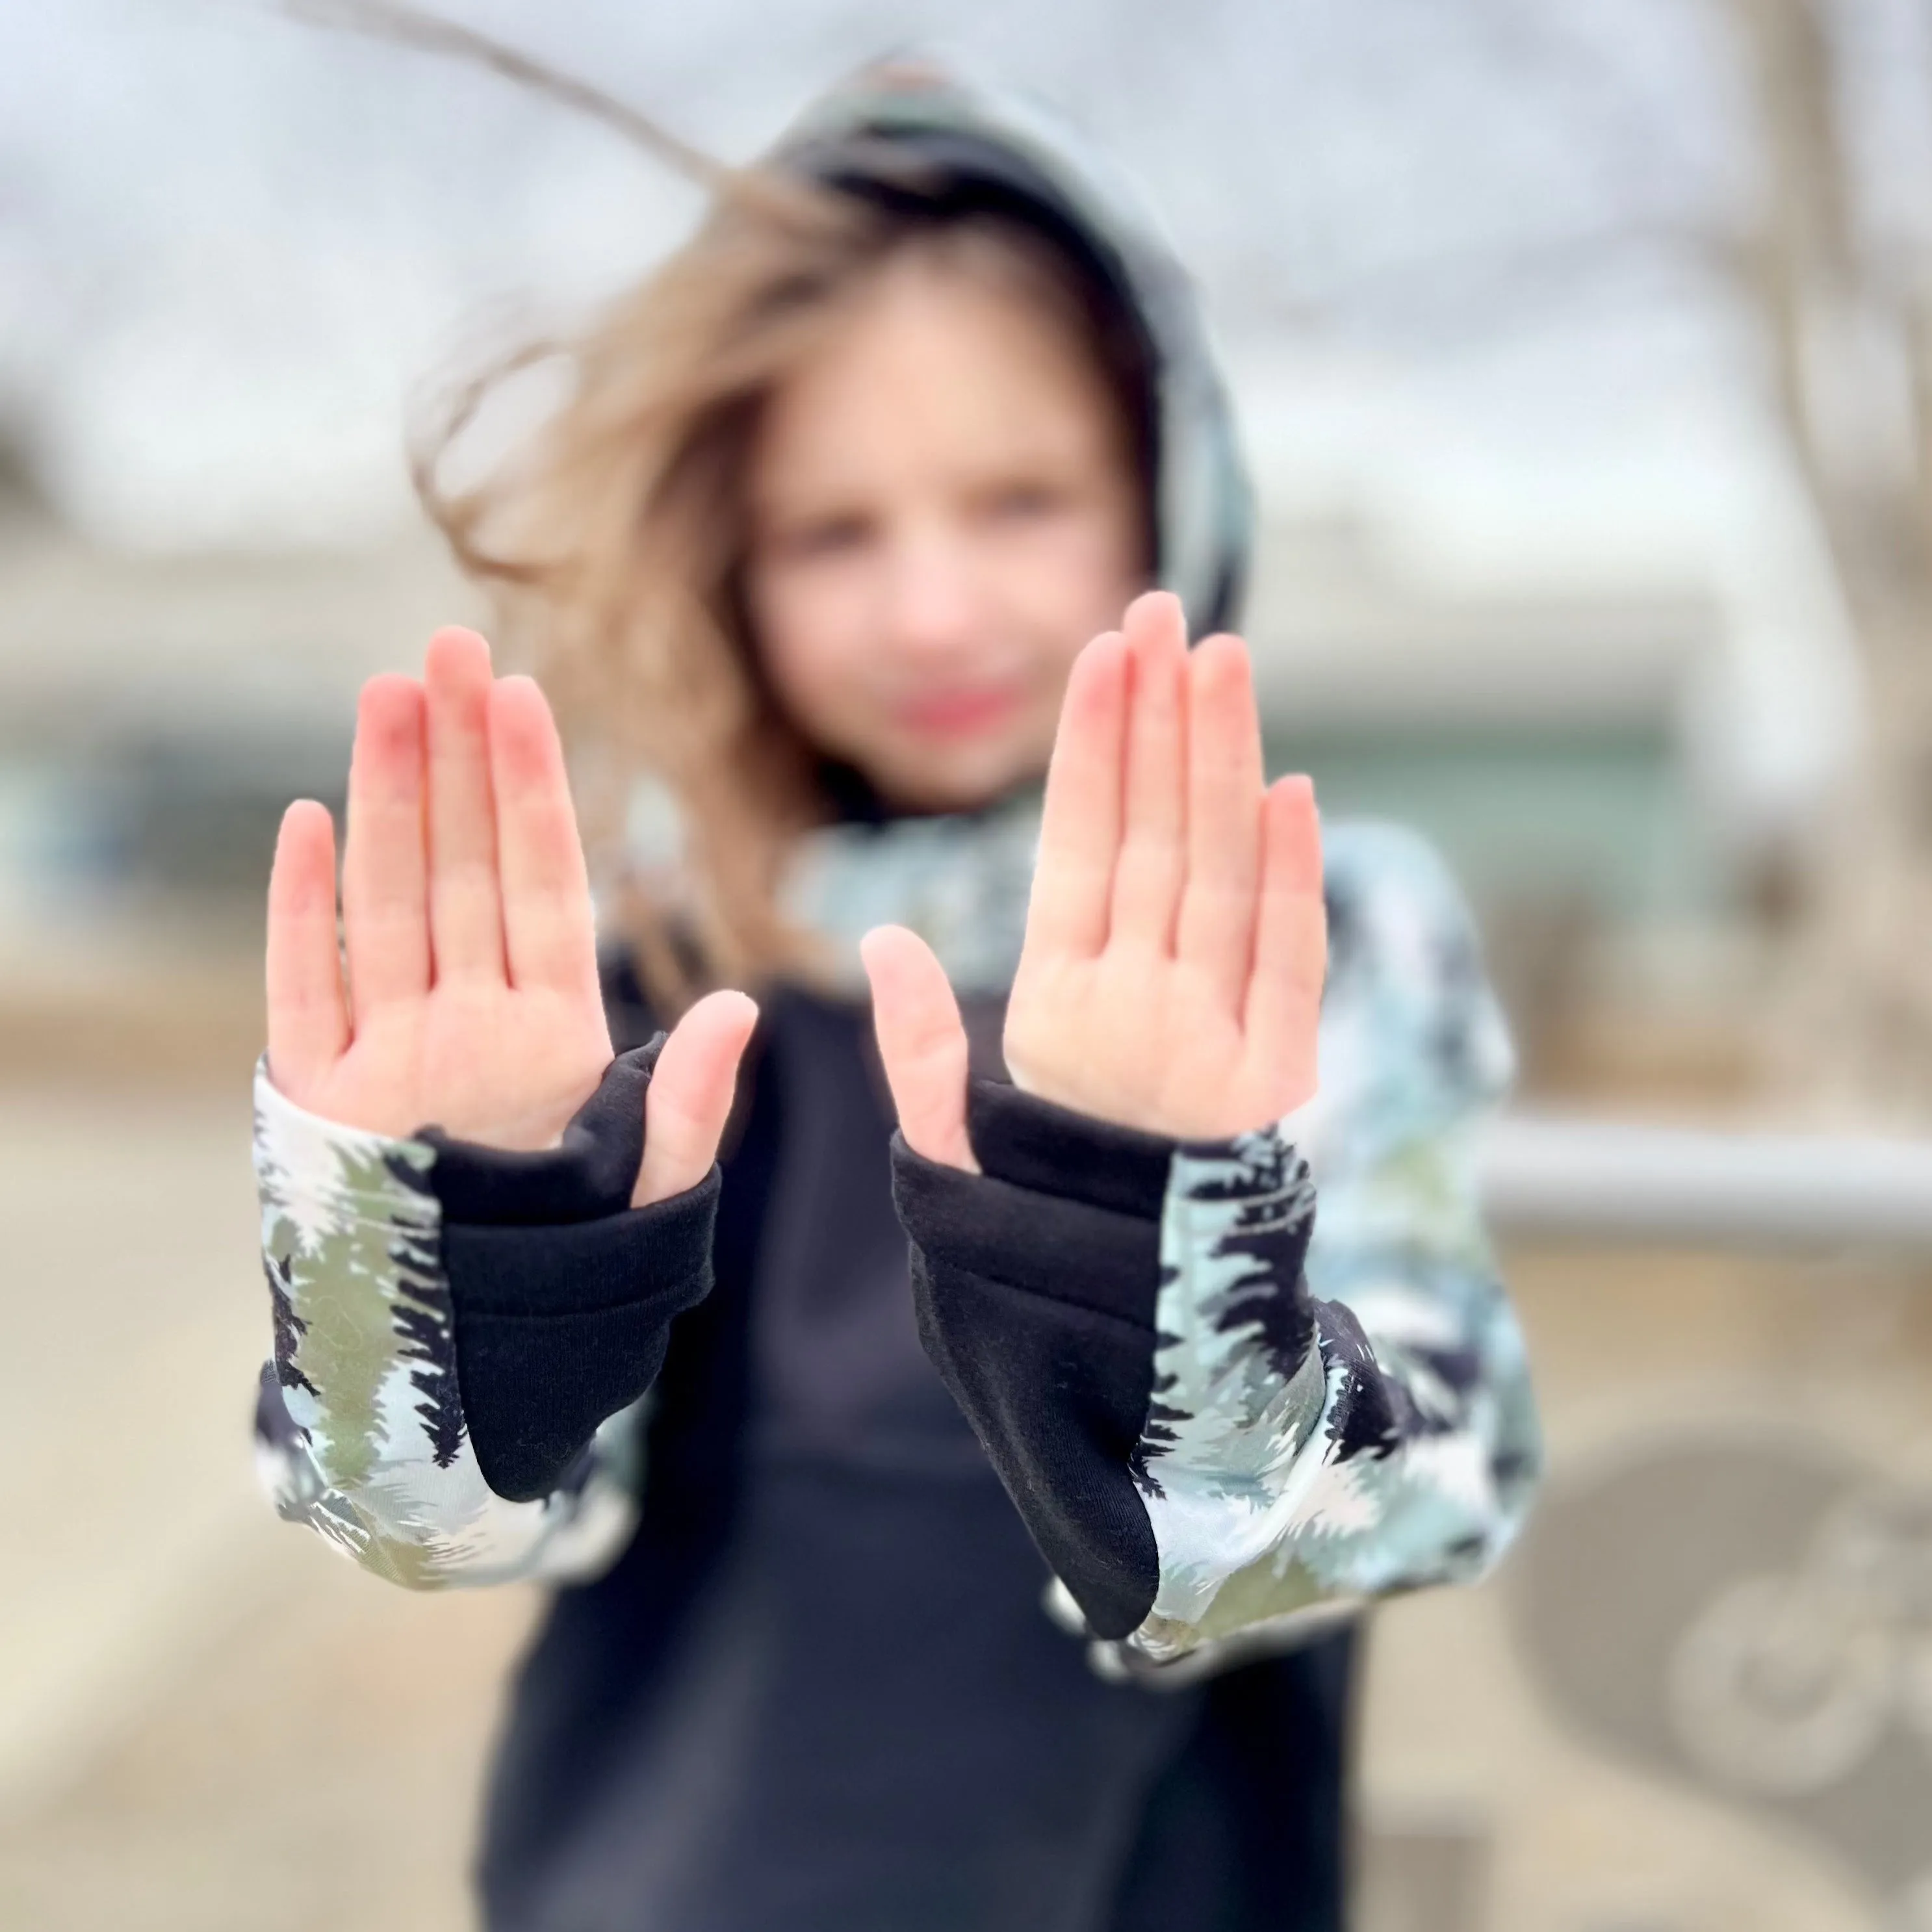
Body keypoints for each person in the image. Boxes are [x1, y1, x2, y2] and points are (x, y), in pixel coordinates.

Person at [251, 51, 1541, 1932]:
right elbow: (439, 1517)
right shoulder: (654, 951)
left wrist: (1159, 1302)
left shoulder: (1324, 919)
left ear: (1166, 487)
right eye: (833, 532)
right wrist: (442, 1248)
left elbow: (1437, 1473)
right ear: (725, 564)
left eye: (1018, 497)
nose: (932, 609)